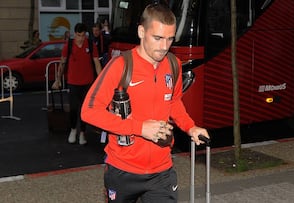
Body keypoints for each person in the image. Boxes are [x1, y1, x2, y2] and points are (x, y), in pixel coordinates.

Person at [81, 3, 210, 203]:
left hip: (162, 171)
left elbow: (174, 101)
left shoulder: (173, 64)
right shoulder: (121, 65)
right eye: (157, 38)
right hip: (122, 169)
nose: (164, 46)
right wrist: (140, 128)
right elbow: (89, 112)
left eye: (170, 39)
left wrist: (190, 127)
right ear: (142, 31)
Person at [52, 23, 102, 145]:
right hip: (73, 83)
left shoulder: (91, 45)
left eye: (83, 35)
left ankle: (82, 133)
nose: (81, 38)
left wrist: (101, 81)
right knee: (74, 109)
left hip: (87, 83)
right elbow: (62, 63)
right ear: (75, 34)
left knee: (84, 110)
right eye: (79, 35)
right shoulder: (68, 45)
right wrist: (58, 79)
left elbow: (96, 63)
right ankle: (73, 130)